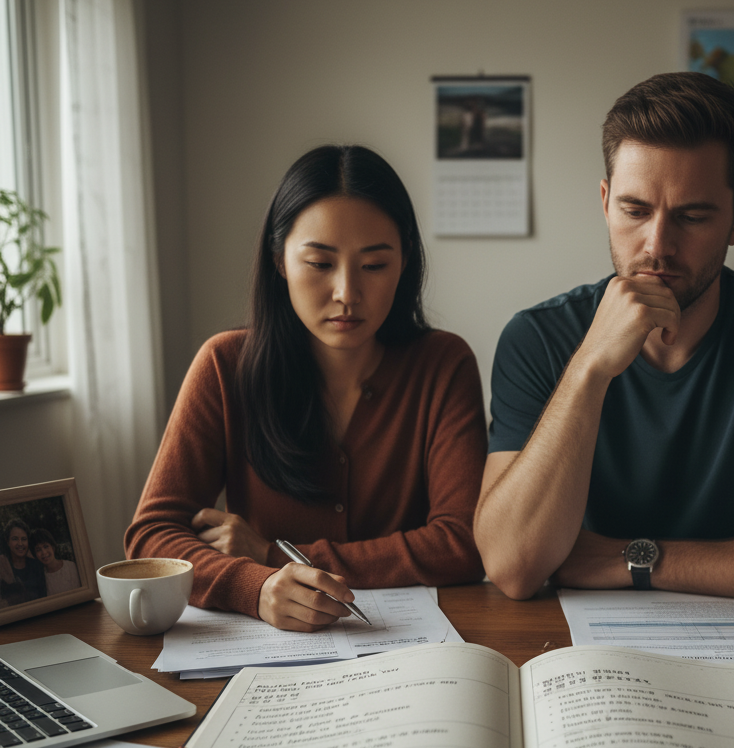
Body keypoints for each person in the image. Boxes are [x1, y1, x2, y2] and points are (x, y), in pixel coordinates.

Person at [475, 72, 734, 602]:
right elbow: (512, 567)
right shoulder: (538, 337)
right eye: (634, 210)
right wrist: (590, 367)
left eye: (691, 216)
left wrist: (631, 559)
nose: (658, 245)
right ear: (604, 202)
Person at [126, 145, 487, 631]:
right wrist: (252, 587)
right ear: (279, 261)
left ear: (404, 264)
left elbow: (461, 542)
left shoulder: (443, 365)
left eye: (374, 266)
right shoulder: (224, 365)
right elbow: (151, 535)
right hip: (266, 652)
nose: (346, 293)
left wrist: (275, 554)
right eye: (320, 263)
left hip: (413, 651)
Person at [1, 518, 47, 606]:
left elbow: (44, 598)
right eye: (15, 539)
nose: (20, 543)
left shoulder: (37, 566)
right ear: (7, 542)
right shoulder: (3, 569)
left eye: (24, 539)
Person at [29, 528, 81, 595]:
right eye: (38, 550)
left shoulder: (71, 567)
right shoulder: (40, 577)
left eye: (46, 546)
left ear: (52, 547)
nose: (44, 552)